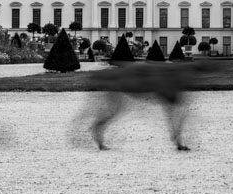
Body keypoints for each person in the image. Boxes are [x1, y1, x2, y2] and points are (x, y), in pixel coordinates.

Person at [81, 60, 209, 151]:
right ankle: (97, 132)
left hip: (136, 84)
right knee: (113, 110)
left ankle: (177, 139)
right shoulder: (172, 75)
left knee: (114, 110)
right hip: (133, 85)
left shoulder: (172, 74)